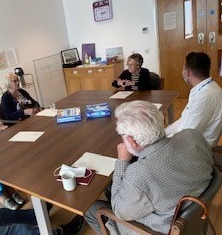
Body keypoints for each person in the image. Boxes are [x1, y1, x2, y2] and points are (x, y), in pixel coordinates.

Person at [84, 100, 213, 234]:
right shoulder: (193, 135)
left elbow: (119, 211)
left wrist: (122, 161)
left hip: (157, 228)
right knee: (112, 188)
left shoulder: (139, 173)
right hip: (192, 210)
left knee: (90, 208)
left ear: (132, 141)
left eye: (122, 135)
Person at [165, 52, 222, 146]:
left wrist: (163, 141)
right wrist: (164, 133)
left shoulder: (205, 96)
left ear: (186, 72)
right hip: (191, 141)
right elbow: (183, 120)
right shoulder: (203, 88)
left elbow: (187, 134)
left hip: (198, 149)